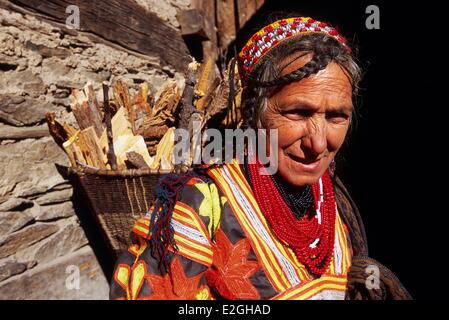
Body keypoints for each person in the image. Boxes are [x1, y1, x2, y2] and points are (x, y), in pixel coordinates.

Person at [109, 16, 411, 300]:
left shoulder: (332, 199)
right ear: (255, 115)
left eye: (336, 116)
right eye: (298, 112)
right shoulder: (200, 203)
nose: (318, 143)